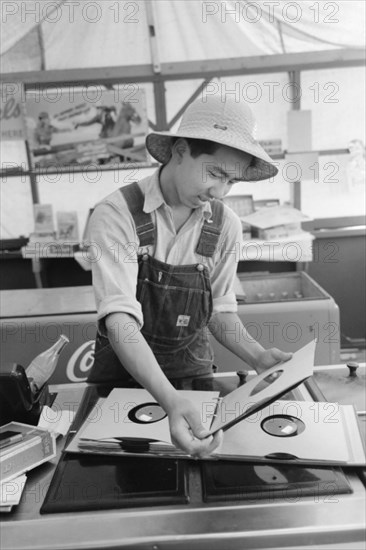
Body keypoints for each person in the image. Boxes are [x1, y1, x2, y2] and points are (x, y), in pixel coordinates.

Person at [87, 94, 292, 458]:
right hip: (123, 384)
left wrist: (257, 355)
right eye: (214, 173)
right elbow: (119, 320)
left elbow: (219, 309)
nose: (220, 191)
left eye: (231, 181)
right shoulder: (116, 215)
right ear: (180, 150)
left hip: (193, 377)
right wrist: (168, 398)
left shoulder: (225, 224)